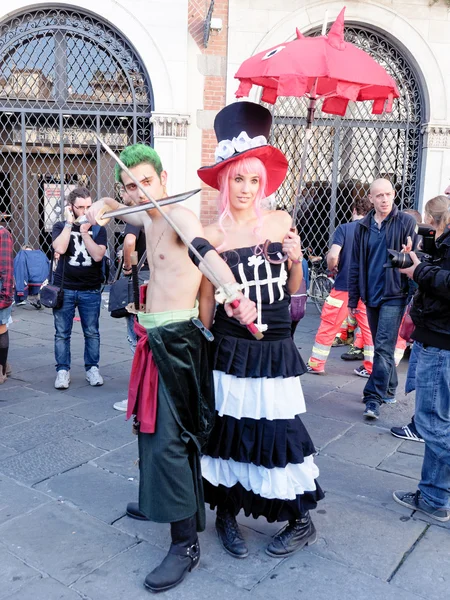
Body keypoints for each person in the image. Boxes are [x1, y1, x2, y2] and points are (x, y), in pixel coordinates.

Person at [86, 143, 256, 593]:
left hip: (177, 343)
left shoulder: (177, 216)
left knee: (168, 440)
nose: (139, 191)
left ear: (162, 179)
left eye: (146, 182)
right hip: (151, 339)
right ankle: (154, 498)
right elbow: (118, 209)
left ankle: (185, 545)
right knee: (148, 429)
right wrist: (104, 206)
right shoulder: (147, 214)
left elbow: (206, 254)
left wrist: (235, 296)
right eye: (130, 185)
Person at [197, 101, 323, 560]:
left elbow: (294, 298)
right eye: (237, 179)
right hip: (229, 347)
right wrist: (204, 344)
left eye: (254, 179)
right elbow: (207, 298)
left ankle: (300, 519)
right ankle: (227, 515)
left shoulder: (281, 223)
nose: (246, 188)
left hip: (273, 345)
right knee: (228, 431)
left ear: (264, 183)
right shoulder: (212, 236)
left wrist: (296, 260)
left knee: (279, 432)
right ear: (225, 182)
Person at [392, 194, 450, 522]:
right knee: (439, 422)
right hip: (437, 335)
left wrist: (418, 271)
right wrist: (420, 263)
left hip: (441, 342)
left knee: (430, 423)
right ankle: (432, 496)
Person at [348, 179, 417, 419]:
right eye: (379, 196)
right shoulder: (362, 227)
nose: (384, 199)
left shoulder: (406, 222)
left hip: (394, 294)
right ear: (370, 198)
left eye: (388, 194)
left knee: (384, 348)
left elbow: (416, 261)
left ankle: (373, 398)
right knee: (381, 347)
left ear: (394, 194)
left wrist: (408, 256)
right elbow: (355, 265)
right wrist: (352, 300)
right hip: (371, 295)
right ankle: (389, 389)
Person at [306, 196, 372, 376]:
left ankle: (316, 364)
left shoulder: (345, 229)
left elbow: (333, 255)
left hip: (344, 286)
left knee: (329, 323)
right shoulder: (376, 230)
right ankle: (370, 368)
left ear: (354, 211)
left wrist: (332, 267)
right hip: (368, 288)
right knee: (368, 328)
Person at [52, 187, 107, 389]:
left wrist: (85, 233)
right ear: (71, 207)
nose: (85, 211)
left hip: (90, 288)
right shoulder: (60, 226)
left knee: (92, 332)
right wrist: (69, 223)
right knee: (61, 333)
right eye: (81, 207)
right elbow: (60, 248)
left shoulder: (99, 228)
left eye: (89, 207)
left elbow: (98, 255)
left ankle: (92, 369)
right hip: (64, 288)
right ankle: (62, 371)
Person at [113, 221, 148, 413]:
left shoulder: (137, 215)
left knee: (136, 338)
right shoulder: (164, 212)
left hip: (140, 280)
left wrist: (128, 266)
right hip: (159, 280)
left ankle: (139, 394)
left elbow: (129, 242)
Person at [0, 222, 13, 383]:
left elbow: (6, 269)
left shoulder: (2, 234)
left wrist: (5, 297)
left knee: (0, 327)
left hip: (1, 287)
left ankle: (1, 368)